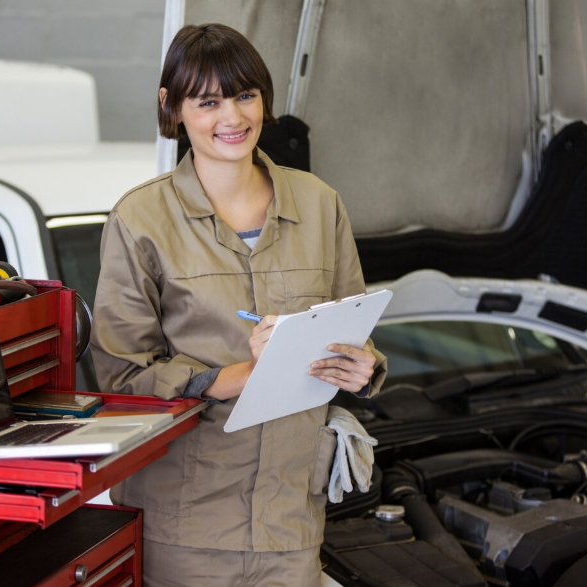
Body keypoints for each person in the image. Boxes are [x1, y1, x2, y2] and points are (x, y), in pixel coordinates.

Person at [89, 23, 387, 587]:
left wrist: (363, 365)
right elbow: (121, 377)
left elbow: (354, 326)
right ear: (171, 106)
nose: (233, 118)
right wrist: (240, 376)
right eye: (208, 101)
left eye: (245, 95)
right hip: (186, 526)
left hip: (292, 518)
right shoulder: (140, 220)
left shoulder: (321, 205)